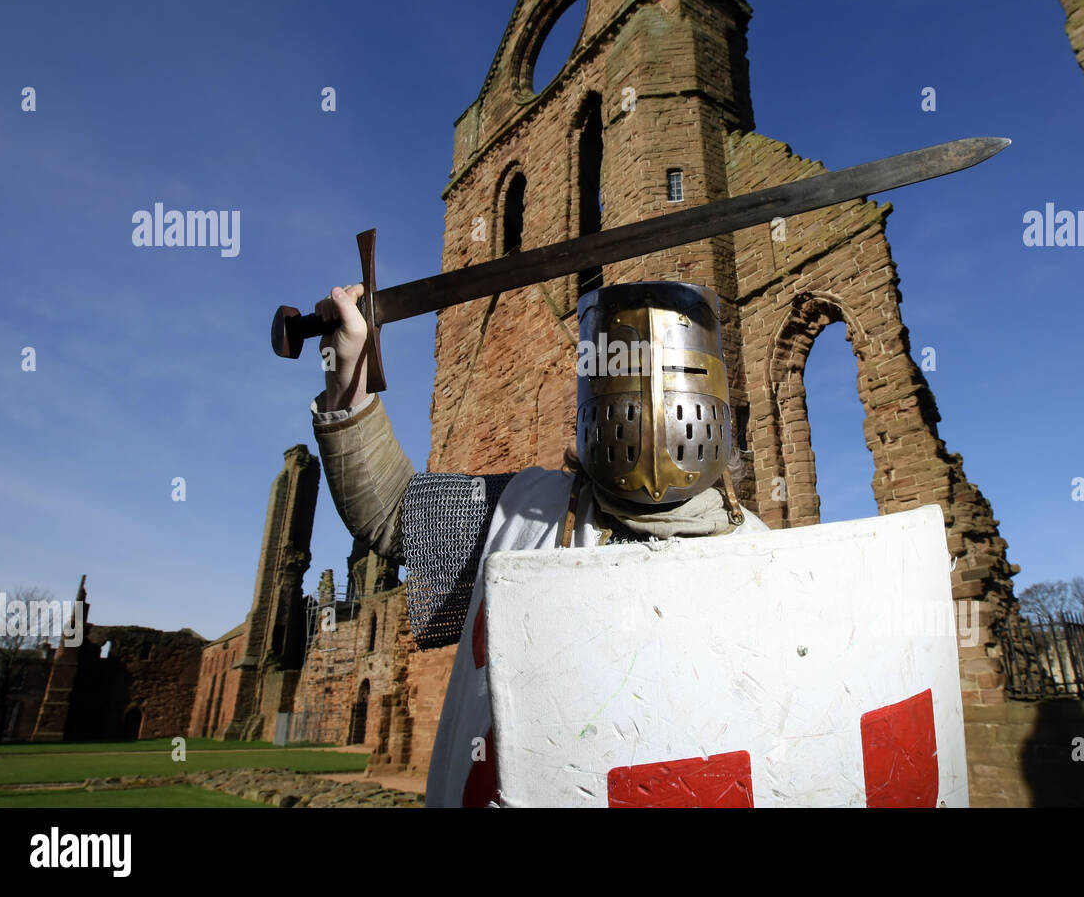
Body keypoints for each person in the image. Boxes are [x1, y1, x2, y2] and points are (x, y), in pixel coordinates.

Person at [310, 279, 767, 807]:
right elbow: (391, 513)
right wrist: (347, 377)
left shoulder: (772, 560)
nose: (654, 407)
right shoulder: (523, 509)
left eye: (675, 374)